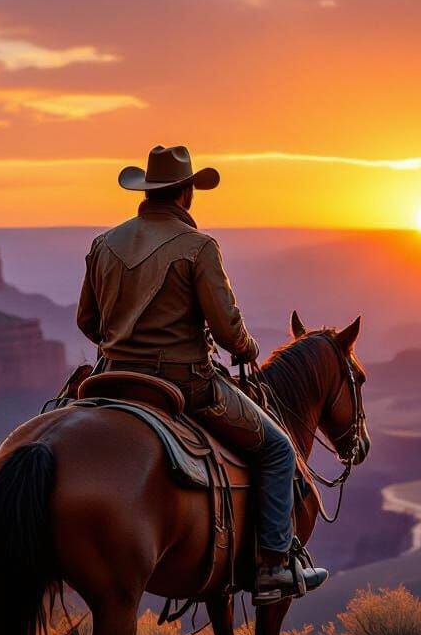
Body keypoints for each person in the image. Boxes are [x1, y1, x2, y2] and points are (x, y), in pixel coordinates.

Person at [76, 144, 327, 604]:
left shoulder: (103, 243)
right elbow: (229, 330)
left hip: (111, 377)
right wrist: (248, 347)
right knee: (277, 450)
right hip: (186, 385)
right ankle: (273, 564)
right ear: (187, 193)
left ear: (148, 191)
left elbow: (87, 323)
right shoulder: (199, 247)